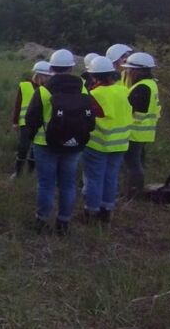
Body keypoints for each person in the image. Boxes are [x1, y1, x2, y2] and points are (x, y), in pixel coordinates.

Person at [25, 49, 95, 235]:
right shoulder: (83, 88)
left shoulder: (43, 91)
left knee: (46, 184)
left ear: (52, 68)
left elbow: (31, 120)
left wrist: (33, 138)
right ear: (72, 67)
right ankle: (63, 223)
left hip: (45, 144)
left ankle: (41, 220)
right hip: (75, 144)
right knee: (68, 184)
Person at [81, 56, 133, 224]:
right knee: (111, 177)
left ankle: (91, 212)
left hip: (98, 144)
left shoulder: (95, 94)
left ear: (94, 76)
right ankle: (107, 211)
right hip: (121, 143)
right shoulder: (123, 90)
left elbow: (91, 119)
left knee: (94, 178)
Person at [121, 52, 161, 200]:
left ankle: (133, 195)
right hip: (143, 132)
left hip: (135, 133)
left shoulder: (141, 88)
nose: (128, 73)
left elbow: (128, 109)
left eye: (130, 70)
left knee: (133, 165)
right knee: (137, 163)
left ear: (138, 71)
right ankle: (134, 192)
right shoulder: (150, 84)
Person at [11, 61, 52, 178]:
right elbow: (17, 105)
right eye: (47, 76)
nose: (48, 78)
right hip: (25, 123)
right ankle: (18, 172)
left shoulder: (47, 88)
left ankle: (30, 172)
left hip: (41, 124)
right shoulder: (24, 85)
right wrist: (15, 121)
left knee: (35, 149)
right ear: (39, 75)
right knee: (23, 147)